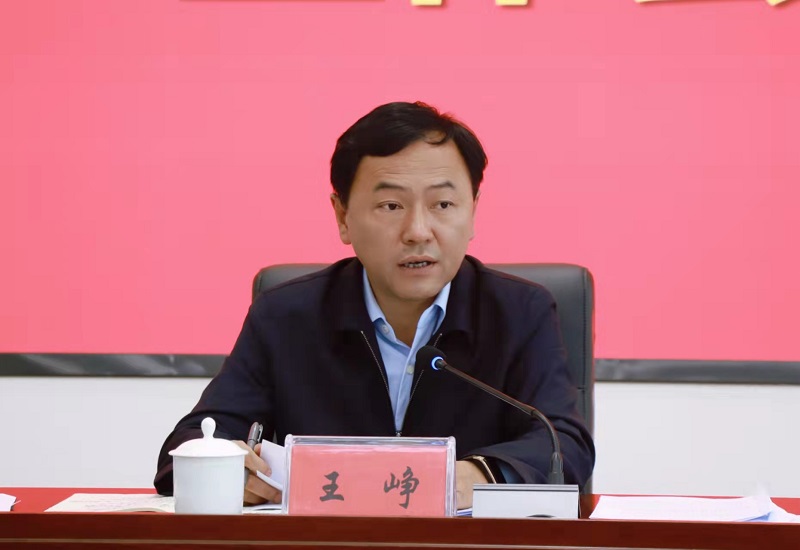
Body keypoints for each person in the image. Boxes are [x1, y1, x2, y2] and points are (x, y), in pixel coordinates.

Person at [155, 101, 595, 509]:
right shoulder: (287, 315)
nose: (418, 231)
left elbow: (564, 445)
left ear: (473, 211)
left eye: (443, 204)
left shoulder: (519, 311)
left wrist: (476, 476)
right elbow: (190, 443)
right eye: (390, 205)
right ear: (342, 216)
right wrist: (226, 466)